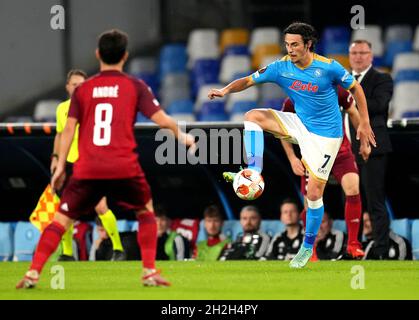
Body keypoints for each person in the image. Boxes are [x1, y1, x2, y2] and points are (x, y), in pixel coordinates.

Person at [16, 29, 195, 289]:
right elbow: (162, 120)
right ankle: (149, 272)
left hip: (87, 168)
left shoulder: (83, 90)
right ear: (125, 56)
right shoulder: (135, 86)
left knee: (60, 221)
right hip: (124, 166)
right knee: (145, 211)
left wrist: (60, 165)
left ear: (98, 54)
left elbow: (68, 130)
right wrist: (183, 137)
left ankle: (33, 274)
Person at [209, 22, 375, 268]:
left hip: (326, 138)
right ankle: (253, 170)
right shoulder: (281, 67)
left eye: (295, 44)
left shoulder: (328, 67)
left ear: (308, 44)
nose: (290, 49)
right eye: (287, 44)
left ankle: (307, 248)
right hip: (299, 124)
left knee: (314, 195)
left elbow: (356, 88)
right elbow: (248, 80)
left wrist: (364, 124)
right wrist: (225, 91)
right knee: (252, 116)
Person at [281, 86, 367, 259]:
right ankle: (309, 249)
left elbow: (353, 111)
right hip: (313, 156)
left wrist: (363, 142)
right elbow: (283, 131)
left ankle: (353, 244)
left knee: (353, 189)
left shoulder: (337, 91)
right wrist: (292, 158)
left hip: (340, 152)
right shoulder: (293, 100)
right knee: (311, 201)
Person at [52, 69, 126, 262]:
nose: (78, 88)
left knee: (101, 206)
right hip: (68, 164)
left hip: (91, 163)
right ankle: (67, 253)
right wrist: (55, 157)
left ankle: (118, 249)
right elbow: (60, 135)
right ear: (68, 87)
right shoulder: (61, 109)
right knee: (64, 209)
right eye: (74, 85)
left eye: (81, 85)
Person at [348, 39, 394, 259]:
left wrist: (347, 102)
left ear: (371, 56)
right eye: (354, 52)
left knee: (375, 201)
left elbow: (379, 106)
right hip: (347, 151)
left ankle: (381, 251)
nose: (358, 56)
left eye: (362, 52)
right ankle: (354, 248)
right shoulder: (342, 81)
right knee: (351, 201)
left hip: (373, 150)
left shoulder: (382, 79)